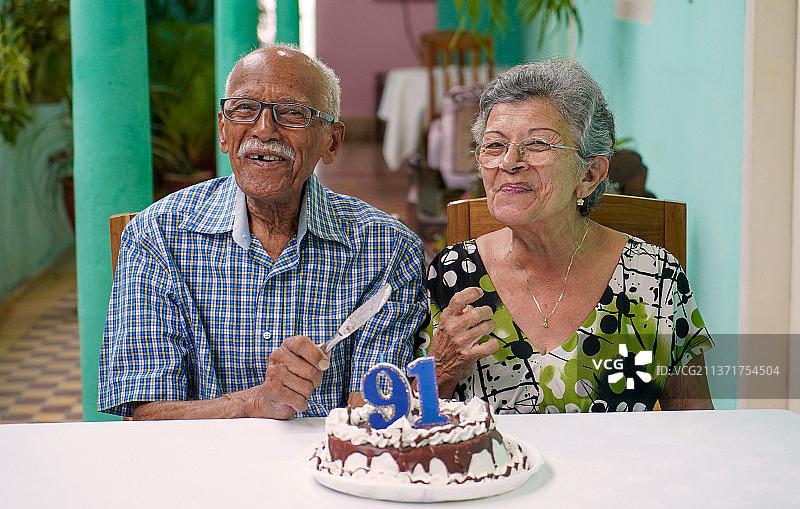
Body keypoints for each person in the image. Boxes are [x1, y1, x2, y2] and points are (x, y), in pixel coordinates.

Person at [98, 45, 428, 420]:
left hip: (328, 468)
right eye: (243, 109)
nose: (263, 129)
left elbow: (373, 415)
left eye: (291, 113)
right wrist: (254, 403)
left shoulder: (386, 247)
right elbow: (144, 413)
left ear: (331, 141)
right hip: (198, 468)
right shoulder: (158, 234)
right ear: (223, 132)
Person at [418, 58, 713, 413]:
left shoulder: (653, 278)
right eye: (494, 146)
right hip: (496, 468)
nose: (510, 162)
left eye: (538, 144)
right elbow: (414, 427)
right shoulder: (453, 274)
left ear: (589, 174)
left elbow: (697, 427)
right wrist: (441, 368)